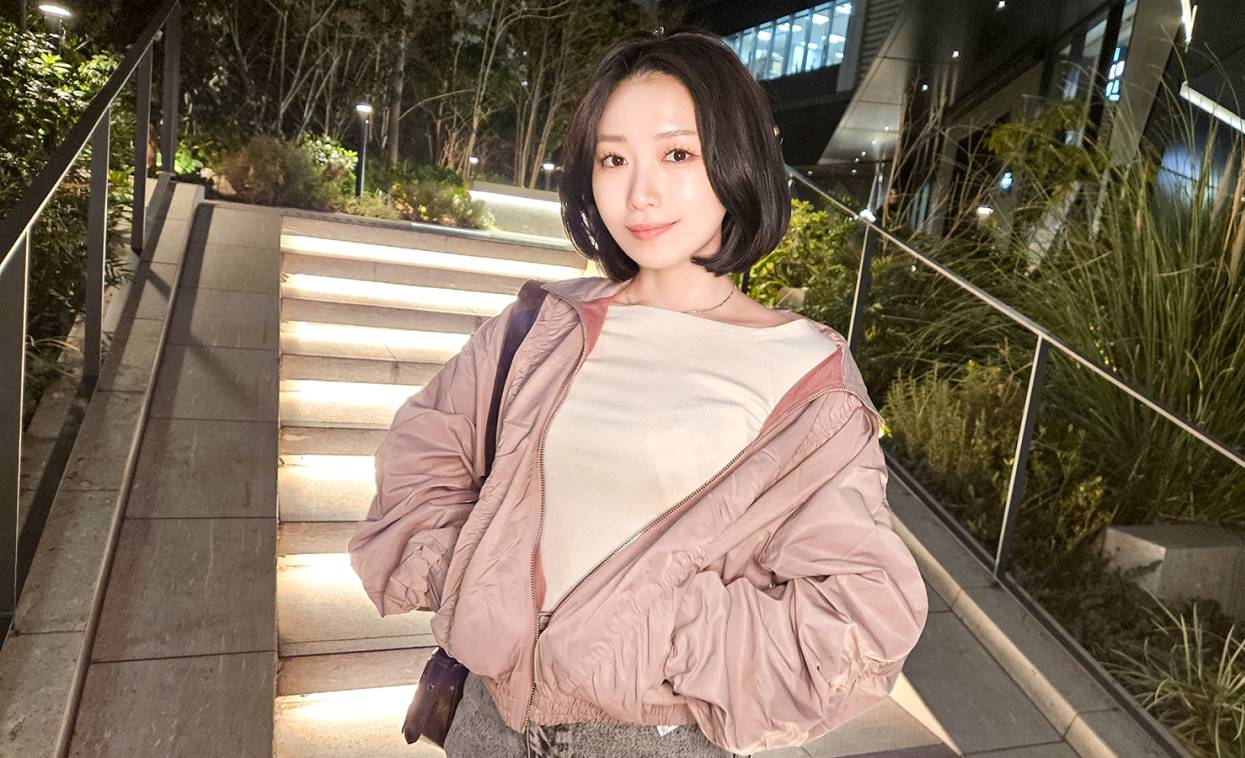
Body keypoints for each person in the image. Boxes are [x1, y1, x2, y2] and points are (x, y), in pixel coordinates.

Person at [347, 26, 929, 758]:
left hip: (653, 739)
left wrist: (655, 635)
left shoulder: (805, 377)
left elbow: (862, 613)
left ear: (737, 159)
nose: (640, 192)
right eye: (613, 158)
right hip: (486, 722)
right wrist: (468, 574)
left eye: (677, 154)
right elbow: (422, 451)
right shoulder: (543, 324)